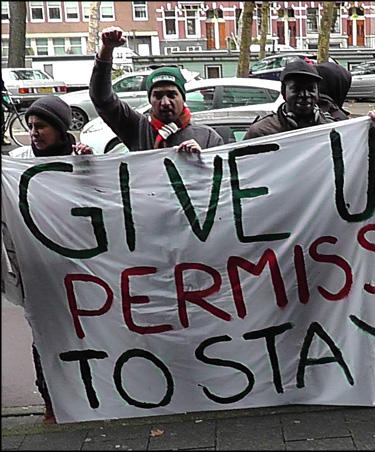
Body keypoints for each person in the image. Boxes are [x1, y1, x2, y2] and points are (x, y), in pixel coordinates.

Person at [3, 95, 95, 424]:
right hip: (38, 271)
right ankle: (51, 403)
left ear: (58, 128)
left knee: (87, 335)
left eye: (40, 126)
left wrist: (90, 166)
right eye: (30, 126)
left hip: (79, 270)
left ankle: (91, 397)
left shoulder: (79, 158)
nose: (34, 133)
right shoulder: (18, 163)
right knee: (45, 335)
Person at [89, 26, 222, 153]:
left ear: (183, 98)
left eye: (172, 95)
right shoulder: (137, 129)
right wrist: (107, 50)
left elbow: (222, 173)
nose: (165, 102)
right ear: (150, 100)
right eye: (158, 96)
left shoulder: (208, 138)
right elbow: (102, 99)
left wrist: (203, 160)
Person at [244, 59, 335, 140]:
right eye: (297, 89)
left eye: (311, 89)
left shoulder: (331, 129)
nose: (305, 95)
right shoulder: (261, 133)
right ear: (284, 92)